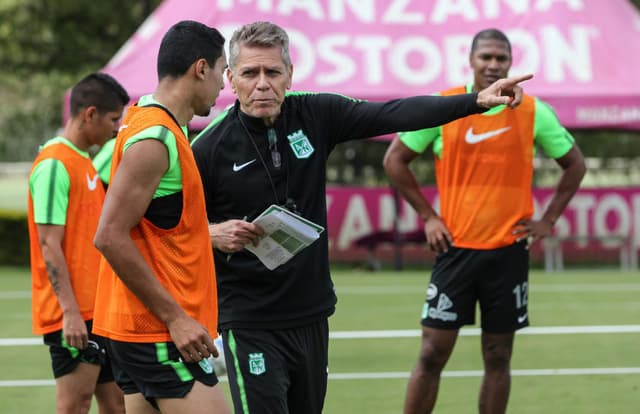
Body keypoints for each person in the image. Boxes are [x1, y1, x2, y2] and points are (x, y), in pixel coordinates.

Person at [191, 21, 532, 414]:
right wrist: (213, 233)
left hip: (311, 313)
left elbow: (393, 113)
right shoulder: (208, 149)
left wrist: (474, 101)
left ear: (290, 75)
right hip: (248, 320)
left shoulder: (316, 114)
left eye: (273, 72)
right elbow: (170, 229)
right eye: (250, 73)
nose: (263, 83)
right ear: (231, 78)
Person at [383, 28, 587, 414]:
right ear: (472, 60)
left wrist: (548, 220)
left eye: (501, 58)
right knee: (431, 354)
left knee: (498, 357)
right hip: (455, 250)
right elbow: (394, 160)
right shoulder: (446, 105)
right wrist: (428, 216)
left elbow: (575, 165)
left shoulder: (533, 111)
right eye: (486, 57)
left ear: (510, 63)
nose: (493, 65)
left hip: (508, 253)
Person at [91, 20, 231, 414]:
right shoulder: (156, 136)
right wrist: (177, 319)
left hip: (141, 329)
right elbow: (109, 235)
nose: (224, 84)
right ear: (200, 68)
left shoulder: (152, 123)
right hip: (157, 331)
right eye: (222, 70)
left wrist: (209, 236)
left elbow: (155, 225)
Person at [28, 72, 129, 414]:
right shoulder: (55, 164)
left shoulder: (83, 160)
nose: (117, 129)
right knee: (75, 404)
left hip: (99, 309)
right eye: (114, 119)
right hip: (72, 314)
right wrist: (70, 313)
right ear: (90, 115)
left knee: (117, 403)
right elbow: (48, 245)